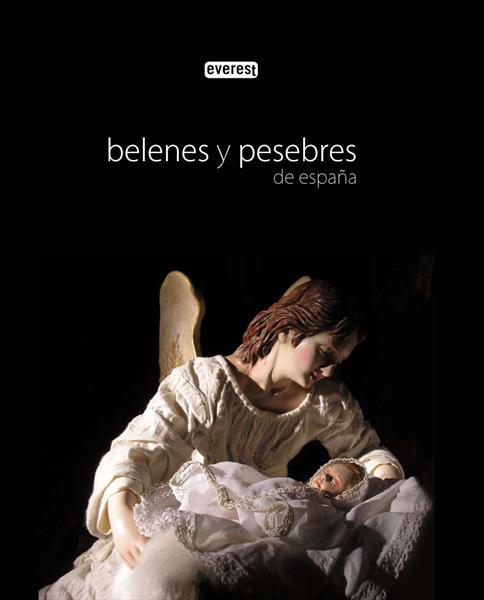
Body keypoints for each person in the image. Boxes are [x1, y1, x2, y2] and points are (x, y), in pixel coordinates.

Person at [39, 279, 404, 599]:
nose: (328, 370)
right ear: (289, 329)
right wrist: (122, 520)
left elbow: (367, 450)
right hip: (187, 524)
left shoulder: (324, 402)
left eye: (338, 361)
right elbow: (141, 447)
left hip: (261, 539)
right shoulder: (207, 383)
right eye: (324, 352)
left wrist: (380, 482)